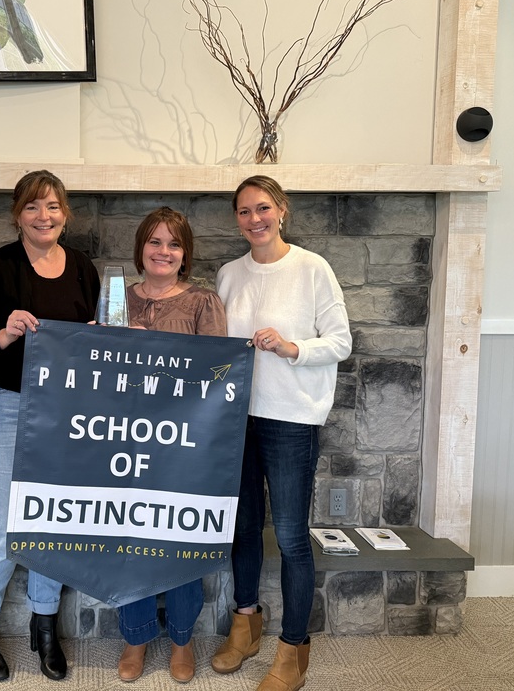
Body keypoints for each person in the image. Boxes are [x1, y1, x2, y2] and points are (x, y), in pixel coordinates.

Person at [0, 170, 100, 682]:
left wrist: (95, 339)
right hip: (3, 406)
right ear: (18, 214)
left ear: (66, 214)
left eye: (54, 207)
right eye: (34, 207)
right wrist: (4, 333)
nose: (45, 217)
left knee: (53, 520)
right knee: (8, 526)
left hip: (62, 410)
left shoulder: (83, 268)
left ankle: (45, 624)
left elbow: (86, 342)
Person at [213, 176, 352, 691]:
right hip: (235, 420)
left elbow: (341, 342)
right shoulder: (229, 275)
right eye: (245, 211)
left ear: (282, 210)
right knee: (242, 527)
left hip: (292, 419)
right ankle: (245, 621)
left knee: (292, 537)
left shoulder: (313, 269)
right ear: (237, 219)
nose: (255, 219)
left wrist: (292, 348)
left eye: (263, 208)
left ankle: (294, 648)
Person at [115, 207, 227, 684]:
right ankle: (135, 635)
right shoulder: (118, 300)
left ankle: (183, 637)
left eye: (174, 244)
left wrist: (157, 355)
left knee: (181, 540)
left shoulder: (204, 302)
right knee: (129, 538)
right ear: (141, 246)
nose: (164, 252)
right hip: (124, 438)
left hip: (184, 442)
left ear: (185, 254)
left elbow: (219, 375)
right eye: (155, 242)